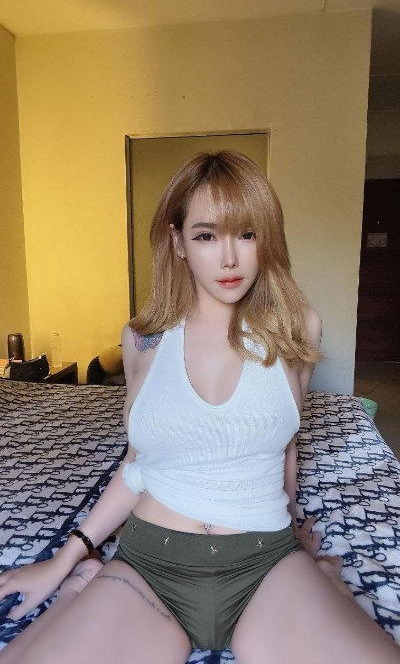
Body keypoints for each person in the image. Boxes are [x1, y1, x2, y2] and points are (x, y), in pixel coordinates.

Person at [0, 150, 398, 664]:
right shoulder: (142, 340)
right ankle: (82, 585)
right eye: (207, 236)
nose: (229, 259)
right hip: (149, 567)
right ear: (179, 242)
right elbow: (138, 463)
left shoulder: (298, 329)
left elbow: (285, 447)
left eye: (247, 234)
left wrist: (292, 525)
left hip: (265, 563)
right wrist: (62, 561)